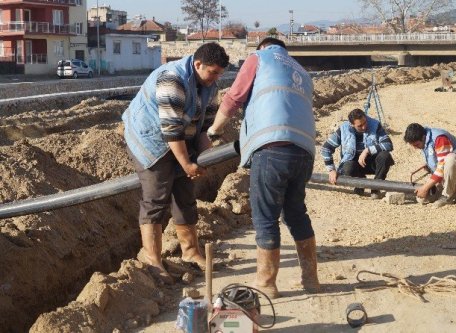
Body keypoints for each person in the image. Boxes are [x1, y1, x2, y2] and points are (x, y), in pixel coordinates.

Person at [207, 37, 319, 298]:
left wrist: (214, 129)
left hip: (272, 147)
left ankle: (267, 284)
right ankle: (311, 280)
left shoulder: (259, 58)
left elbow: (235, 96)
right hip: (304, 150)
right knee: (296, 213)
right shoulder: (301, 70)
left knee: (265, 217)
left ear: (263, 47)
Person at [122, 43, 229, 284]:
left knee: (185, 194)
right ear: (198, 64)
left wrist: (200, 159)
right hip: (150, 139)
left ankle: (191, 252)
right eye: (213, 72)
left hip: (182, 137)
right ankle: (152, 260)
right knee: (157, 196)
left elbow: (205, 128)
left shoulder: (210, 86)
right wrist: (186, 164)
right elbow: (170, 130)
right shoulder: (172, 80)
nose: (216, 78)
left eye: (220, 74)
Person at [320, 108, 394, 199]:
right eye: (360, 126)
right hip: (354, 165)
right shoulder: (343, 129)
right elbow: (326, 148)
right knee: (347, 168)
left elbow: (388, 144)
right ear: (351, 125)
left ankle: (376, 187)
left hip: (372, 163)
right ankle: (360, 182)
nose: (364, 127)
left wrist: (367, 150)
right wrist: (331, 170)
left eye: (365, 123)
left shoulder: (375, 125)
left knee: (385, 156)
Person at [404, 123, 456, 207]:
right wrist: (429, 166)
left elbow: (442, 166)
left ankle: (448, 195)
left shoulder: (439, 138)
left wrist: (425, 188)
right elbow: (437, 160)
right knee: (422, 199)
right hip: (447, 172)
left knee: (450, 159)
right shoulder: (425, 141)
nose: (415, 148)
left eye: (416, 145)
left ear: (423, 137)